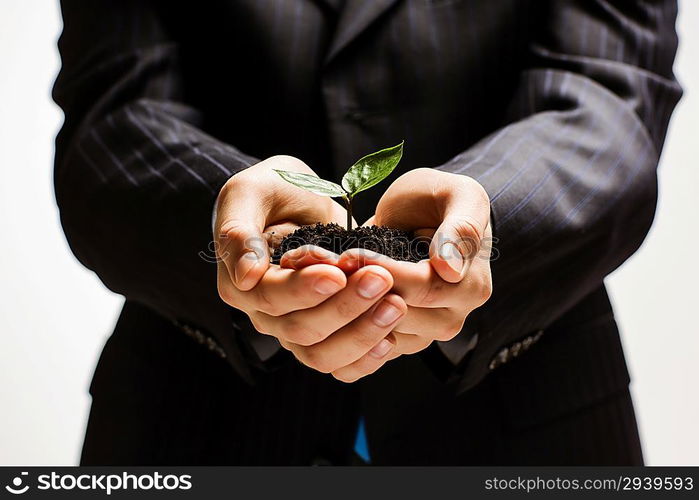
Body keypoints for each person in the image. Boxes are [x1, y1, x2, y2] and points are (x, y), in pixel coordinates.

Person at [53, 0, 681, 465]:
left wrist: (478, 218)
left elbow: (611, 96)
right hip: (194, 421)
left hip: (533, 421)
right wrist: (235, 216)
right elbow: (113, 115)